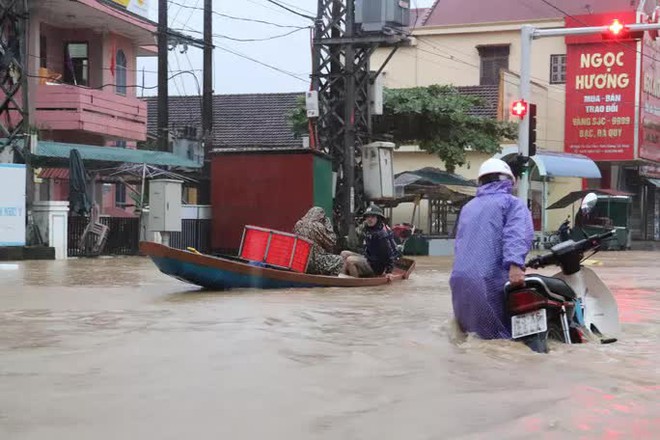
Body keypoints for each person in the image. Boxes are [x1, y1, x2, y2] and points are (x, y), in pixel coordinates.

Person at [450, 158, 534, 339]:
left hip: (459, 281)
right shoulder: (512, 203)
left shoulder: (467, 207)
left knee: (470, 338)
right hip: (489, 280)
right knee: (502, 341)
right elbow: (516, 234)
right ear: (509, 181)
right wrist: (515, 265)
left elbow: (459, 243)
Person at [341, 205, 400, 280]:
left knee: (350, 260)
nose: (369, 219)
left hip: (375, 266)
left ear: (378, 218)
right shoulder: (367, 229)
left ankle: (355, 282)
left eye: (372, 217)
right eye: (368, 217)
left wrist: (389, 271)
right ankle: (341, 276)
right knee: (344, 253)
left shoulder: (381, 234)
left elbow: (389, 253)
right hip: (367, 258)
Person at [293, 207, 343, 276]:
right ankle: (331, 281)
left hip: (300, 261)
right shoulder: (318, 226)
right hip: (314, 263)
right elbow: (332, 242)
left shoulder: (298, 224)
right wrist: (328, 225)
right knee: (340, 260)